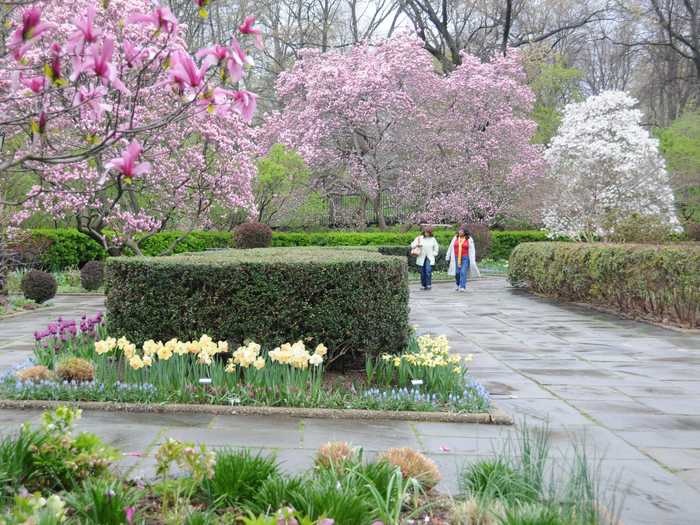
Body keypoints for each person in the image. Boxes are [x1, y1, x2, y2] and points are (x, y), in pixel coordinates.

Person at [446, 226, 480, 291]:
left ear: (465, 232)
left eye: (461, 231)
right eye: (459, 231)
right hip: (456, 257)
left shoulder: (469, 239)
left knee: (463, 271)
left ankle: (462, 286)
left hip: (465, 258)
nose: (460, 232)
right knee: (457, 273)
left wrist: (472, 259)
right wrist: (448, 256)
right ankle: (458, 284)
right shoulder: (455, 238)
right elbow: (450, 247)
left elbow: (472, 250)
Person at [411, 226, 439, 290]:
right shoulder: (419, 238)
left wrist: (434, 254)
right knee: (422, 272)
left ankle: (428, 284)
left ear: (430, 233)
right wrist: (417, 245)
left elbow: (436, 248)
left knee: (428, 271)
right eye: (425, 232)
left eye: (428, 232)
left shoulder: (433, 239)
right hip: (421, 257)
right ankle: (423, 285)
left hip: (429, 257)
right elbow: (412, 245)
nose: (426, 234)